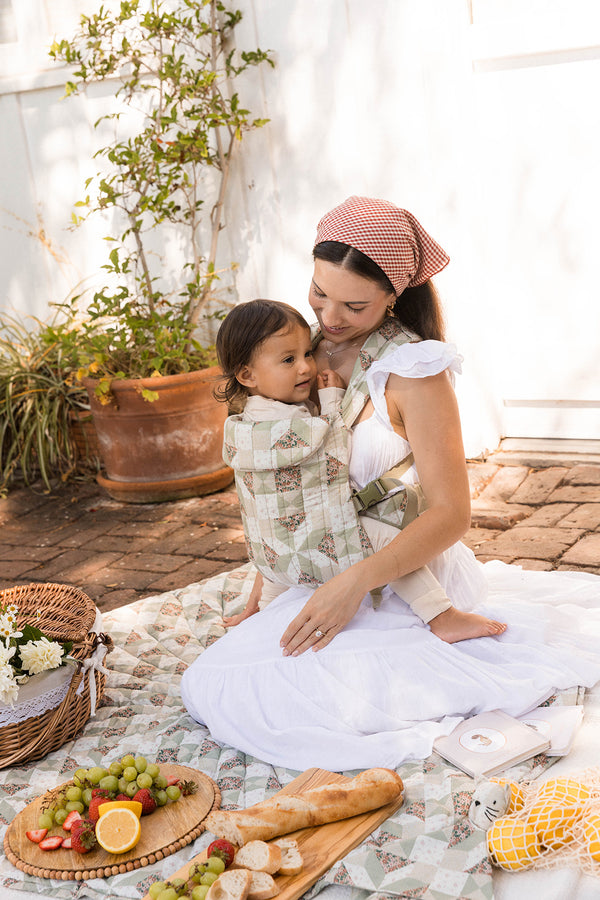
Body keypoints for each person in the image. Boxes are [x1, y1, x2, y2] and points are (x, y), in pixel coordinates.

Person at [180, 196, 600, 772]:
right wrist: (269, 570)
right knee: (218, 685)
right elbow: (288, 479)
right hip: (322, 564)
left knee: (271, 698)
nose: (328, 317)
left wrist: (353, 584)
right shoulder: (298, 351)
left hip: (395, 575)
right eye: (319, 292)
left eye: (353, 305)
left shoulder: (413, 370)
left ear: (393, 295)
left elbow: (452, 515)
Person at [214, 298, 505, 640]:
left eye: (306, 354)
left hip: (275, 548)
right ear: (247, 374)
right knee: (385, 539)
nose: (307, 367)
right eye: (289, 360)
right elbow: (332, 447)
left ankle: (260, 615)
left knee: (276, 590)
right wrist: (334, 398)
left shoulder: (243, 422)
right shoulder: (290, 420)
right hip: (322, 539)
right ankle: (441, 616)